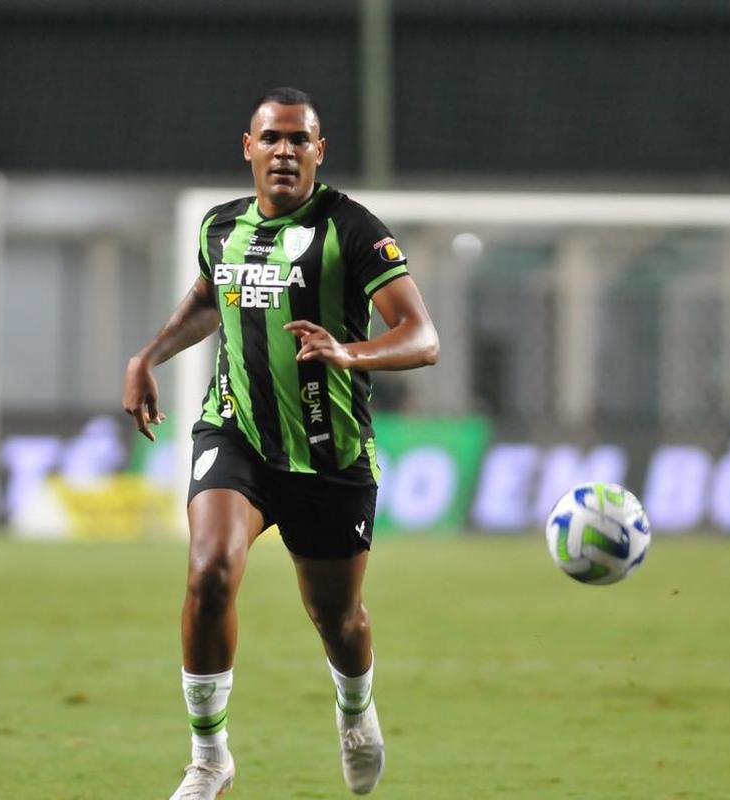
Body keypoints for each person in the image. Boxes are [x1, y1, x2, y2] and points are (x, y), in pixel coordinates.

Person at [122, 87, 439, 799]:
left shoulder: (352, 229)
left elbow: (422, 337)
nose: (285, 151)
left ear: (319, 151)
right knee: (209, 572)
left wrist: (349, 353)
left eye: (300, 139)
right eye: (272, 138)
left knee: (337, 619)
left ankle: (355, 709)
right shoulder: (220, 227)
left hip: (329, 454)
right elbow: (210, 298)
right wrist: (148, 356)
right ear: (249, 147)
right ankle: (209, 759)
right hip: (236, 432)